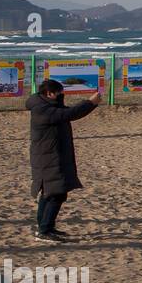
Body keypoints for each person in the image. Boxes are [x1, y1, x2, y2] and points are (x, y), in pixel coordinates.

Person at [27, 80, 101, 243]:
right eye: (59, 93)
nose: (61, 96)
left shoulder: (47, 104)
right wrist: (90, 103)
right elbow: (68, 114)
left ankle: (46, 227)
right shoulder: (42, 109)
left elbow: (67, 111)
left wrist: (89, 104)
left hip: (50, 156)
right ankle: (44, 230)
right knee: (56, 193)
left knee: (49, 193)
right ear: (49, 94)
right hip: (47, 158)